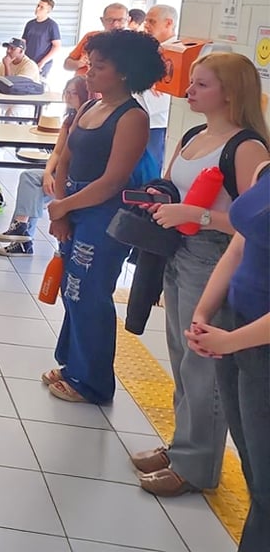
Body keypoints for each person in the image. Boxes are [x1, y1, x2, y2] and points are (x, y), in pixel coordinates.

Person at [128, 54, 269, 497]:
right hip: (177, 251)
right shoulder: (193, 135)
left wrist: (199, 216)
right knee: (180, 356)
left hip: (215, 258)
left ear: (230, 91)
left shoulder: (247, 148)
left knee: (204, 363)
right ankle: (183, 445)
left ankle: (197, 464)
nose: (189, 91)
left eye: (201, 85)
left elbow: (254, 225)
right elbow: (175, 185)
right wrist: (161, 198)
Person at [42, 30, 166, 405]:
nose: (89, 72)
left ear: (124, 73)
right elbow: (65, 158)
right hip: (75, 206)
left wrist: (65, 207)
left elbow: (113, 181)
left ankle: (93, 382)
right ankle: (72, 364)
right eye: (89, 64)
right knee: (71, 288)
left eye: (99, 66)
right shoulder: (88, 107)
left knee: (90, 292)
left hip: (104, 214)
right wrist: (60, 203)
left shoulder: (132, 117)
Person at [186, 159, 270, 552]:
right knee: (254, 471)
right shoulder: (265, 170)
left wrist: (233, 341)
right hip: (235, 329)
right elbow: (240, 245)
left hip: (257, 343)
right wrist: (204, 313)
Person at [0, 76, 92, 256]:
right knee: (29, 179)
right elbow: (57, 152)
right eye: (67, 93)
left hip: (75, 178)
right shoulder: (69, 120)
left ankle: (22, 235)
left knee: (32, 187)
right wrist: (48, 173)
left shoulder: (89, 119)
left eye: (74, 93)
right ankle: (21, 228)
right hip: (59, 172)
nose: (69, 97)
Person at [139, 4, 179, 169]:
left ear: (168, 23)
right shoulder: (147, 47)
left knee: (152, 168)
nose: (146, 25)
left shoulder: (177, 51)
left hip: (157, 121)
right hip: (138, 115)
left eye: (152, 21)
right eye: (146, 20)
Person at [63, 2, 129, 75]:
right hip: (81, 83)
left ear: (128, 20)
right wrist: (78, 64)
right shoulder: (90, 36)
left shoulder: (133, 43)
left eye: (121, 20)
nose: (115, 24)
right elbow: (67, 64)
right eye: (110, 20)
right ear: (102, 20)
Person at [22, 0, 62, 76]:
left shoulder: (52, 25)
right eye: (38, 6)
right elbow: (23, 42)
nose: (38, 9)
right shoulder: (30, 24)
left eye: (42, 7)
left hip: (41, 64)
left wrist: (43, 62)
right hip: (27, 62)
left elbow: (57, 46)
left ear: (48, 10)